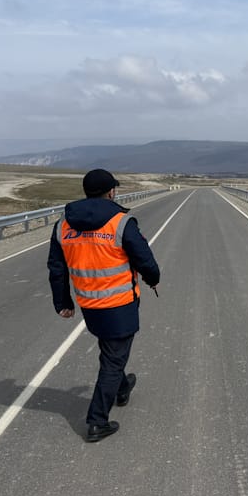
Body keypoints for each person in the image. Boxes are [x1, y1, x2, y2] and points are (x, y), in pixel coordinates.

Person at [47, 168, 161, 443]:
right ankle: (97, 421)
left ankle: (122, 388)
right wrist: (153, 279)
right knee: (113, 358)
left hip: (90, 305)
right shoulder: (120, 223)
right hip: (120, 305)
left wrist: (63, 302)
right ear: (111, 192)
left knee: (111, 351)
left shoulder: (63, 225)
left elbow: (56, 268)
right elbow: (144, 258)